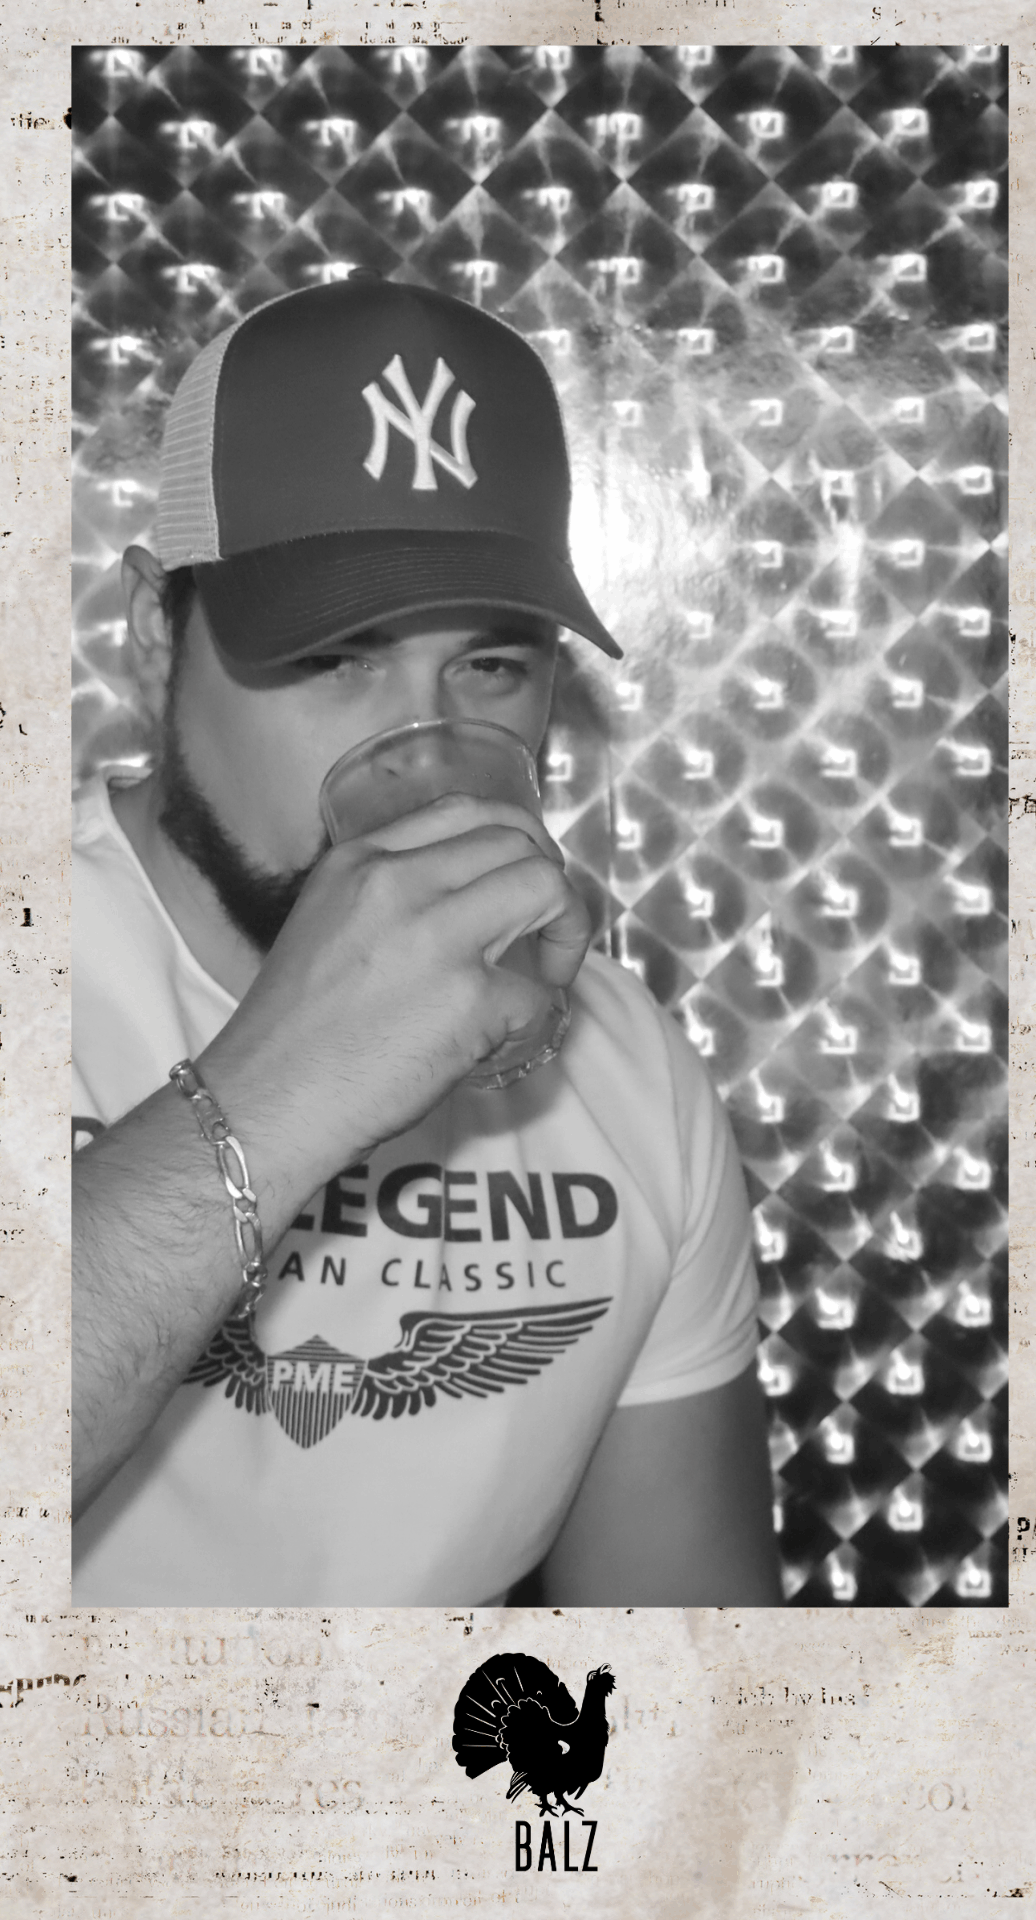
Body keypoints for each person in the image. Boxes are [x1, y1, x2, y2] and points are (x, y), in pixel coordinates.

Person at [72, 272, 781, 1606]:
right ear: (156, 636)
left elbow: (692, 1662)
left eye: (491, 667)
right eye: (336, 656)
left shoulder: (624, 1074)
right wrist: (284, 1089)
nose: (424, 751)